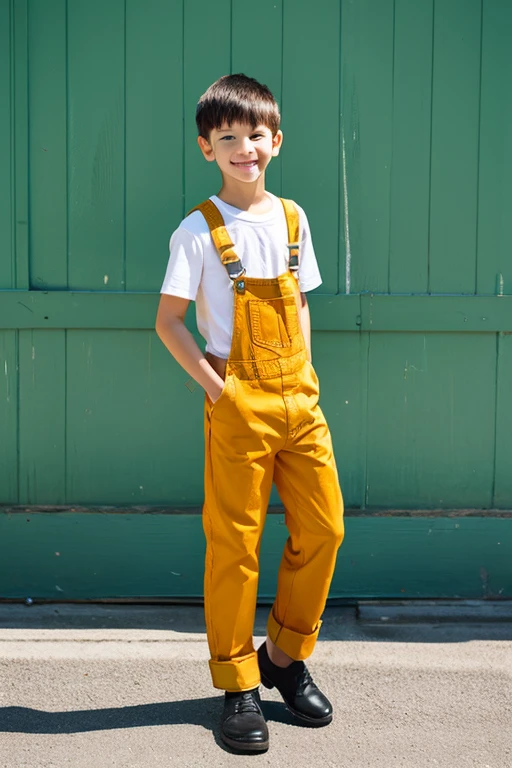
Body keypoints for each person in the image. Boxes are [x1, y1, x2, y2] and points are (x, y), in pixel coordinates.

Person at [155, 74, 344, 754]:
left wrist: (308, 374)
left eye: (255, 136)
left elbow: (299, 302)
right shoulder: (198, 231)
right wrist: (217, 390)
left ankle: (284, 659)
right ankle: (237, 683)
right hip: (238, 401)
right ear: (208, 148)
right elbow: (168, 321)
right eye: (228, 138)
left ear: (276, 141)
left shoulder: (293, 218)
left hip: (299, 396)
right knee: (235, 547)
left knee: (324, 528)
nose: (245, 149)